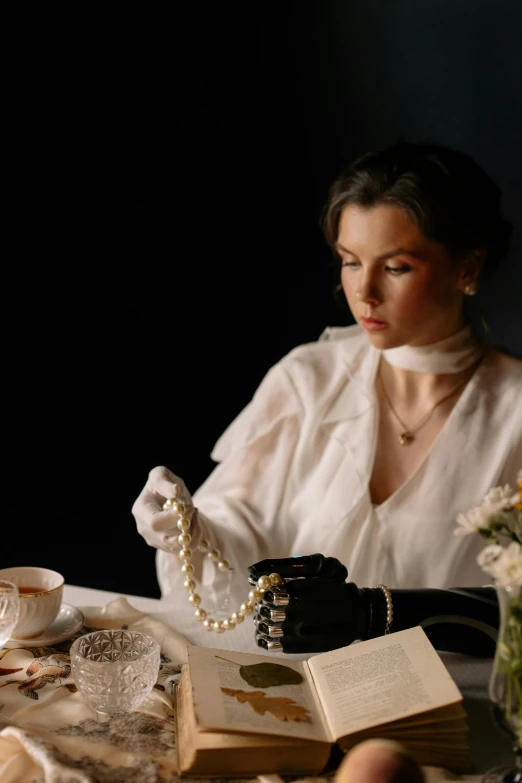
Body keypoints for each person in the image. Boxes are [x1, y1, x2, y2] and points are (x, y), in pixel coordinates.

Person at [132, 139, 522, 655]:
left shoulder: (514, 410)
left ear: (467, 267)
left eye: (397, 266)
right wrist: (188, 527)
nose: (364, 292)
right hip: (297, 690)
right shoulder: (309, 380)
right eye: (350, 261)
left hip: (448, 707)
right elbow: (246, 528)